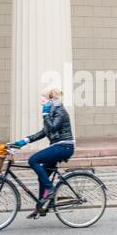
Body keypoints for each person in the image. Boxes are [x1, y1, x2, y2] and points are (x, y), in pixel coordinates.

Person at [11, 88, 75, 219]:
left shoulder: (60, 111)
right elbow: (44, 132)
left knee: (33, 160)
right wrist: (23, 141)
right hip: (58, 146)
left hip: (64, 146)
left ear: (51, 100)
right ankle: (41, 206)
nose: (41, 102)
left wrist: (45, 114)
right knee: (43, 175)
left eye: (43, 99)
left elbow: (52, 127)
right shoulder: (53, 112)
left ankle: (49, 189)